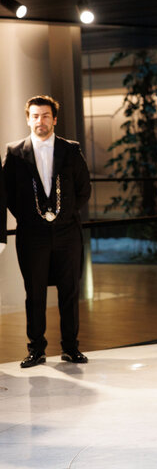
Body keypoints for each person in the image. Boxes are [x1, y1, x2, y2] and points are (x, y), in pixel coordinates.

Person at [4, 95, 92, 368]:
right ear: (27, 119)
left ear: (54, 119)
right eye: (34, 116)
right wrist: (33, 219)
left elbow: (83, 190)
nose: (39, 121)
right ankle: (36, 350)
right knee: (35, 293)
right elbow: (8, 195)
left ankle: (70, 348)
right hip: (32, 235)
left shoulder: (71, 149)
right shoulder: (14, 152)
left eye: (44, 115)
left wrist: (62, 217)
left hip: (68, 233)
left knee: (69, 291)